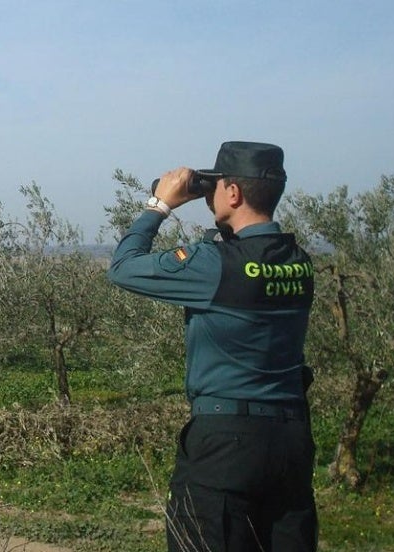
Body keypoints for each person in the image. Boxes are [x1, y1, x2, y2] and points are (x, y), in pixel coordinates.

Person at [107, 141, 318, 551]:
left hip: (225, 444)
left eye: (217, 186)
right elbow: (248, 253)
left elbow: (123, 268)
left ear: (234, 194)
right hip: (290, 443)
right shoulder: (299, 261)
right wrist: (215, 205)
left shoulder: (212, 265)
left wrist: (159, 205)